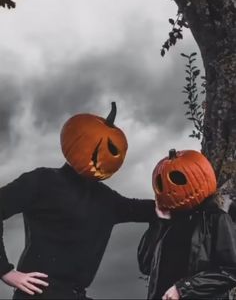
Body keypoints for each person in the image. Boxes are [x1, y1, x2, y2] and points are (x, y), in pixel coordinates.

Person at [0, 103, 156, 299]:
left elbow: (149, 209)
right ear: (76, 141)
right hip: (38, 293)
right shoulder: (42, 181)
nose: (110, 155)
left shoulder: (107, 199)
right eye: (104, 147)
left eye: (114, 150)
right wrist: (5, 271)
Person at [138, 148, 236, 299]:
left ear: (200, 178)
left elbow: (230, 270)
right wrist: (159, 223)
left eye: (178, 180)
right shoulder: (167, 223)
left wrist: (183, 288)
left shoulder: (216, 220)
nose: (171, 191)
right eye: (162, 185)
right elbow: (145, 266)